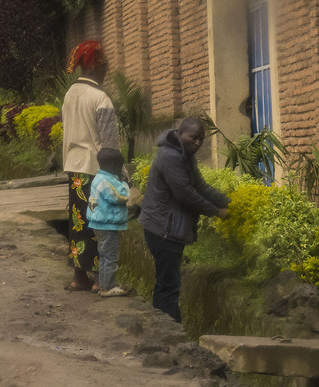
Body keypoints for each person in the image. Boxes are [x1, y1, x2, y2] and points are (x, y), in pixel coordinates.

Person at [137, 117, 231, 321]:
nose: (197, 143)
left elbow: (200, 186)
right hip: (163, 229)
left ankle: (164, 329)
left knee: (166, 282)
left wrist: (230, 202)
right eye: (193, 138)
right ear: (180, 134)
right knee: (168, 285)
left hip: (167, 228)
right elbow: (185, 194)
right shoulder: (170, 156)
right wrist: (217, 212)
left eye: (201, 140)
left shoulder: (184, 154)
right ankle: (169, 333)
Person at [61, 39, 119, 293]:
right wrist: (121, 174)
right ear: (97, 66)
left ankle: (78, 277)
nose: (107, 71)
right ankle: (99, 280)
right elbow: (110, 144)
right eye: (105, 66)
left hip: (74, 168)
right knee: (100, 224)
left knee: (78, 222)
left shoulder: (70, 94)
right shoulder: (100, 98)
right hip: (98, 171)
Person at [88, 147, 132, 298]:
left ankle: (105, 284)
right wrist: (125, 184)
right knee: (111, 257)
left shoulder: (98, 178)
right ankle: (108, 287)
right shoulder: (106, 181)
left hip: (100, 224)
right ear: (114, 167)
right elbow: (121, 196)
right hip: (107, 225)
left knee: (104, 256)